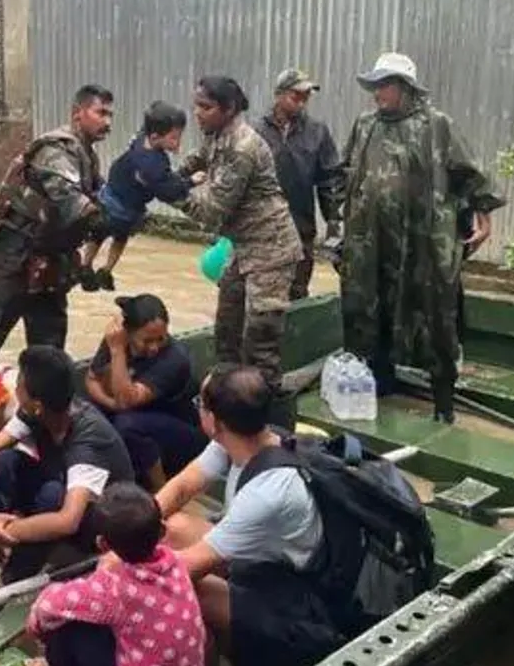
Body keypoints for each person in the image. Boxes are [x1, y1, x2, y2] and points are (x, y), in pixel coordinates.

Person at [339, 53, 506, 424]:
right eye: (375, 85)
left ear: (405, 87)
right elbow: (345, 173)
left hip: (423, 244)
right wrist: (340, 228)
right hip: (371, 242)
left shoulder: (437, 125)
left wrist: (484, 217)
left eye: (385, 85)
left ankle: (443, 401)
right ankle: (378, 384)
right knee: (368, 307)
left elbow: (471, 175)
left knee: (433, 314)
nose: (377, 93)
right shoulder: (365, 125)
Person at [154, 368, 342, 666]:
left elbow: (186, 568)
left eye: (201, 404)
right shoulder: (241, 439)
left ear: (216, 422)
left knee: (182, 590)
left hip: (299, 602)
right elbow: (184, 485)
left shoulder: (268, 494)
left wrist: (117, 565)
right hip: (263, 566)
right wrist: (135, 525)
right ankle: (234, 644)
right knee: (173, 530)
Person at [0, 85, 113, 400]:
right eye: (101, 113)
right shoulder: (55, 150)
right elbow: (71, 200)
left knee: (49, 350)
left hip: (50, 264)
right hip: (15, 258)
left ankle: (45, 411)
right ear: (78, 113)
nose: (108, 122)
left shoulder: (85, 156)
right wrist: (106, 219)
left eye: (110, 115)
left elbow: (101, 199)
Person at [25, 483, 205, 666]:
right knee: (103, 614)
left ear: (102, 544)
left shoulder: (114, 588)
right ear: (162, 530)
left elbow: (48, 605)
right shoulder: (175, 561)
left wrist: (36, 627)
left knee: (74, 624)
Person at [177, 76, 303, 422]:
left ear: (229, 108)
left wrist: (172, 193)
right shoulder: (217, 136)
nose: (197, 113)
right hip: (243, 247)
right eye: (197, 105)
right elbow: (192, 162)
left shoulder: (242, 147)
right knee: (227, 328)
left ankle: (267, 422)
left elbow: (211, 211)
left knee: (260, 341)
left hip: (271, 248)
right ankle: (226, 407)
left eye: (206, 107)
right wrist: (163, 173)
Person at [0, 344, 134, 584]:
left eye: (19, 385)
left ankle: (12, 579)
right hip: (61, 491)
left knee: (52, 494)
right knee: (5, 461)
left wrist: (5, 531)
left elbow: (69, 520)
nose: (16, 389)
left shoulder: (89, 438)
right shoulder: (38, 411)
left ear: (37, 405)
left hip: (102, 524)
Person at [84, 294, 205, 491]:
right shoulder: (116, 340)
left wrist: (117, 352)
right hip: (142, 421)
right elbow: (92, 379)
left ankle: (160, 491)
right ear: (128, 333)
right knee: (88, 411)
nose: (154, 347)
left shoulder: (174, 359)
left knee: (128, 424)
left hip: (183, 433)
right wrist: (110, 404)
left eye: (160, 339)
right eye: (147, 341)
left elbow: (126, 401)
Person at [79, 101, 202, 292]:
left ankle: (85, 266)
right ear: (155, 137)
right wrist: (191, 181)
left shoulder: (140, 139)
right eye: (174, 138)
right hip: (126, 210)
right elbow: (168, 190)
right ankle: (106, 270)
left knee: (98, 234)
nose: (178, 143)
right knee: (120, 238)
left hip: (109, 195)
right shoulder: (154, 164)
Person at [254, 69, 341, 301]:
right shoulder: (256, 132)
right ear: (279, 95)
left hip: (300, 229)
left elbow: (330, 180)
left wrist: (334, 223)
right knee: (260, 295)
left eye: (306, 97)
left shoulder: (317, 132)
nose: (302, 103)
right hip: (261, 230)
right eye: (296, 96)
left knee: (297, 294)